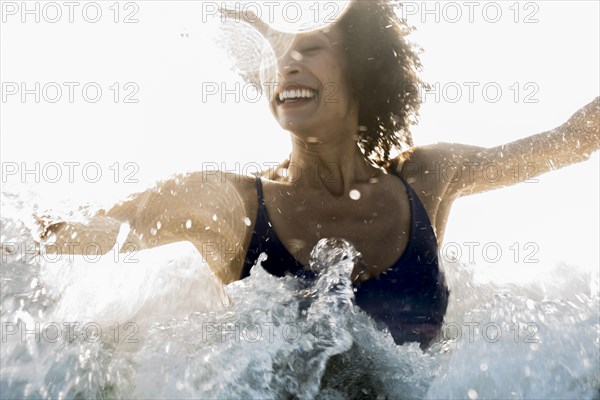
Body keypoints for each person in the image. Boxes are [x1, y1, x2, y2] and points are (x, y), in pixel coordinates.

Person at [38, 0, 599, 348]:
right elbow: (62, 237)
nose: (286, 63)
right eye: (276, 56)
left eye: (309, 47)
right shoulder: (227, 203)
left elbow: (574, 139)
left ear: (362, 64)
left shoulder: (428, 179)